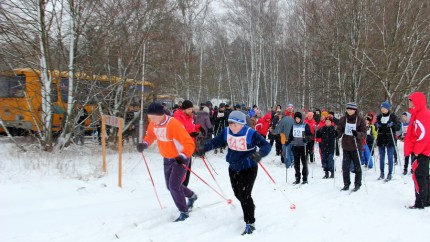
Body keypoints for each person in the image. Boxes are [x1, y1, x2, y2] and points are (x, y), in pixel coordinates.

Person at [196, 110, 271, 235]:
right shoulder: (226, 131)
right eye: (230, 124)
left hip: (248, 168)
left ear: (242, 124)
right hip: (233, 168)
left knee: (245, 195)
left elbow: (266, 145)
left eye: (235, 124)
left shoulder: (250, 133)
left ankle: (250, 222)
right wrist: (204, 148)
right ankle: (250, 207)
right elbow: (215, 142)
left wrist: (259, 154)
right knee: (238, 194)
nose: (232, 127)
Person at [136, 102, 197, 221]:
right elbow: (150, 136)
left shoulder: (173, 124)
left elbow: (189, 143)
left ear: (161, 115)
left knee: (174, 186)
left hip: (180, 158)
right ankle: (191, 195)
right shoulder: (154, 123)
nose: (152, 120)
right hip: (167, 157)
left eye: (153, 117)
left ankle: (184, 211)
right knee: (170, 187)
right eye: (150, 118)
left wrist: (183, 155)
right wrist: (144, 144)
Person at [404, 92, 430, 209]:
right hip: (421, 151)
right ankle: (426, 199)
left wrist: (417, 151)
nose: (410, 104)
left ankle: (420, 202)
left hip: (421, 152)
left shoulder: (422, 115)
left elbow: (424, 135)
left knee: (419, 177)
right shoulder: (418, 114)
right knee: (423, 176)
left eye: (412, 101)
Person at [336, 102, 366, 192]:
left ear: (355, 110)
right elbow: (339, 129)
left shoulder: (360, 120)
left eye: (351, 109)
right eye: (348, 109)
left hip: (356, 146)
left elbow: (364, 134)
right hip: (346, 146)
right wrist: (337, 133)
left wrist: (357, 134)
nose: (349, 111)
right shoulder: (343, 119)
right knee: (345, 166)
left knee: (357, 166)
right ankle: (346, 183)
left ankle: (357, 184)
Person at [173, 100, 203, 186]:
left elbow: (192, 127)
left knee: (187, 168)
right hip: (180, 147)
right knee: (182, 168)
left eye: (191, 109)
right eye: (189, 109)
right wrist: (189, 134)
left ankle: (184, 186)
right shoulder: (178, 117)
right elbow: (177, 132)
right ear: (183, 109)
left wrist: (199, 128)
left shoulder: (190, 117)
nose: (191, 110)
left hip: (188, 146)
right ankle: (178, 186)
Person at [375, 101, 401, 181]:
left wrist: (393, 124)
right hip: (381, 138)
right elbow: (376, 127)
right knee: (381, 157)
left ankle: (390, 173)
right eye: (381, 108)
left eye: (384, 108)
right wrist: (377, 125)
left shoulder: (393, 116)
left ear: (388, 108)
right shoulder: (379, 117)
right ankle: (382, 173)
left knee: (390, 157)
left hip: (390, 139)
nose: (382, 109)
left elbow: (398, 127)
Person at [289, 112, 312, 184]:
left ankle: (305, 178)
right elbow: (290, 135)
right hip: (295, 146)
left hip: (303, 146)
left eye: (298, 118)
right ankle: (297, 178)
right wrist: (289, 139)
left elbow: (309, 135)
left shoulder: (305, 125)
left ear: (301, 118)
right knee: (296, 163)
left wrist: (306, 139)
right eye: (296, 118)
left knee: (304, 163)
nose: (297, 119)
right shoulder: (293, 125)